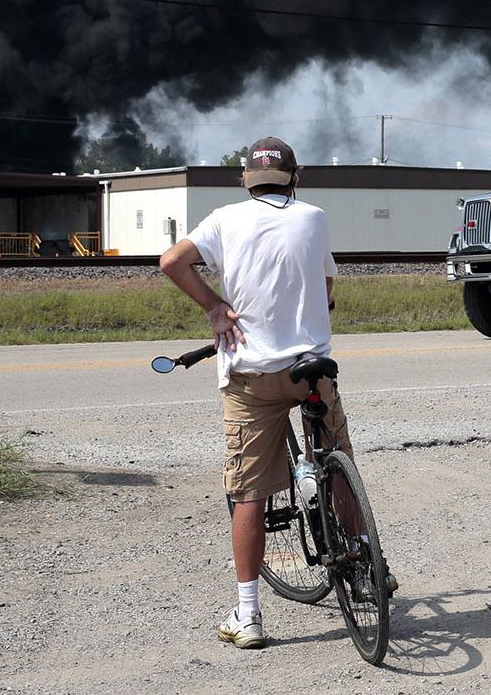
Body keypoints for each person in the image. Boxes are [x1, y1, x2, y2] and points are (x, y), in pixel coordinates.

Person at [158, 136, 349, 650]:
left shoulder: (225, 219)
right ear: (296, 177)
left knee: (249, 494)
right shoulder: (315, 217)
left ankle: (248, 617)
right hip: (312, 367)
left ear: (245, 178)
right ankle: (367, 567)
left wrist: (215, 308)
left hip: (251, 377)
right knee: (338, 461)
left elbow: (171, 261)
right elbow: (328, 292)